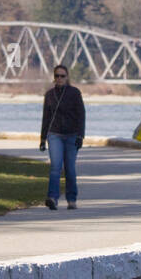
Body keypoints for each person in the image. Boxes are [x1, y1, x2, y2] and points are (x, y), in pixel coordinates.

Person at [39, 63, 85, 210]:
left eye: (62, 76)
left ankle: (72, 199)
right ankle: (52, 197)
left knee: (70, 168)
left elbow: (81, 116)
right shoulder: (50, 95)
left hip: (72, 135)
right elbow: (46, 117)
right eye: (57, 76)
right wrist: (42, 139)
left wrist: (80, 136)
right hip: (54, 135)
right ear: (54, 77)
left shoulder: (75, 93)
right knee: (55, 167)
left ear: (67, 77)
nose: (59, 78)